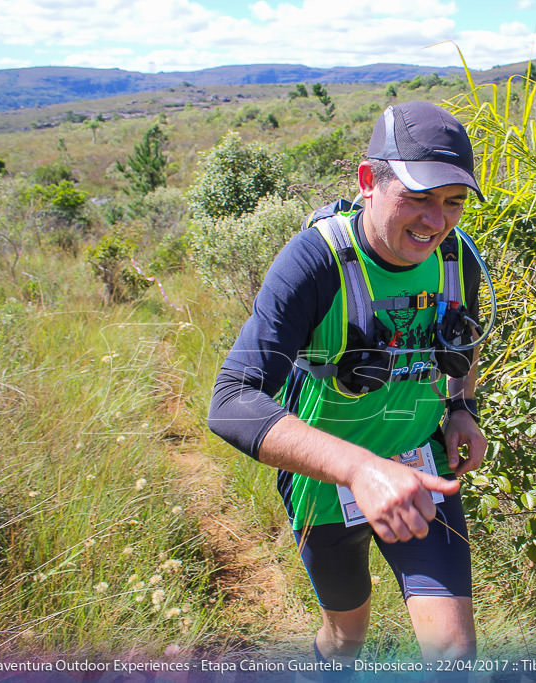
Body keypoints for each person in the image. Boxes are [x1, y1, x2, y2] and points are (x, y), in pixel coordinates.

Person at [207, 101, 488, 672]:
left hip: (418, 470)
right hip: (324, 488)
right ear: (368, 181)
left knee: (454, 653)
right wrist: (361, 468)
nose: (436, 222)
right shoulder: (315, 262)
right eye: (417, 196)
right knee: (345, 639)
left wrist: (463, 409)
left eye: (453, 202)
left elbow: (461, 340)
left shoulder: (457, 258)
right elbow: (231, 401)